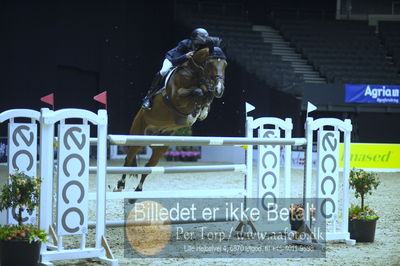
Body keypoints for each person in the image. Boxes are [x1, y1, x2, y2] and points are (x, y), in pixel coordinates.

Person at [142, 28, 221, 109]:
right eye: (203, 39)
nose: (204, 41)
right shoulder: (184, 43)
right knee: (163, 71)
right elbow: (174, 61)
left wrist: (212, 44)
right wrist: (185, 56)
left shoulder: (203, 45)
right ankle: (148, 97)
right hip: (173, 59)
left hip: (188, 63)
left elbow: (211, 52)